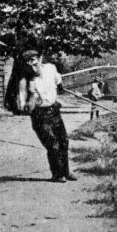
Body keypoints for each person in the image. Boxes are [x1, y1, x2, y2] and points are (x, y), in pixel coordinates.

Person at [21, 50, 76, 183]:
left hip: (54, 111)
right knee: (52, 144)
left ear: (40, 59)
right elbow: (24, 101)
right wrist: (30, 99)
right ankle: (57, 175)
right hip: (39, 115)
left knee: (63, 141)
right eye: (29, 64)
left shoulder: (51, 68)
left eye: (34, 62)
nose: (33, 66)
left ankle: (66, 171)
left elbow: (58, 79)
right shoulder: (26, 79)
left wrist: (59, 87)